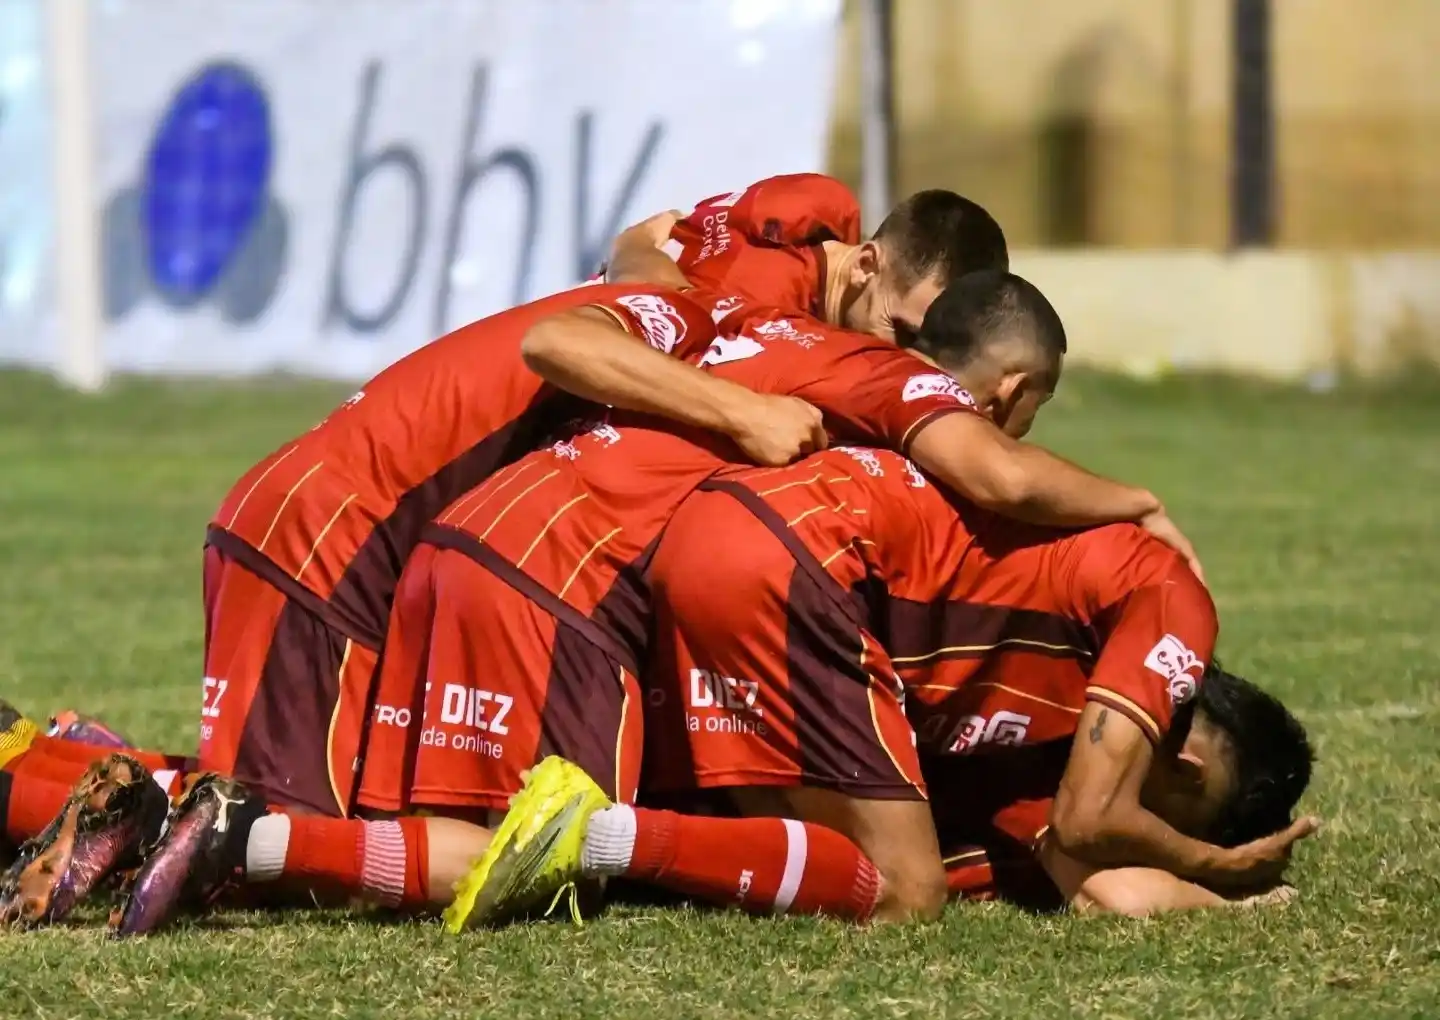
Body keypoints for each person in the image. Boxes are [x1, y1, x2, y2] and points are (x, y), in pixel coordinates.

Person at [0, 177, 1018, 917]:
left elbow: (647, 238)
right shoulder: (731, 309)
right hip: (341, 534)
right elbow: (572, 335)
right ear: (865, 265)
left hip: (354, 520)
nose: (889, 362)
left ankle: (59, 755)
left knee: (311, 826)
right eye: (897, 329)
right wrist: (742, 414)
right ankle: (24, 778)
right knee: (274, 848)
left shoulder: (733, 262)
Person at [453, 440, 1317, 925]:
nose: (1145, 830)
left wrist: (1232, 904)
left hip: (700, 533)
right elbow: (1094, 824)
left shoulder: (1048, 741)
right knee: (905, 892)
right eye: (1171, 817)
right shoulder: (1169, 603)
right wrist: (1218, 866)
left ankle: (597, 840)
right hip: (803, 574)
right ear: (1191, 766)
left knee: (445, 836)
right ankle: (605, 836)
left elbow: (1111, 885)